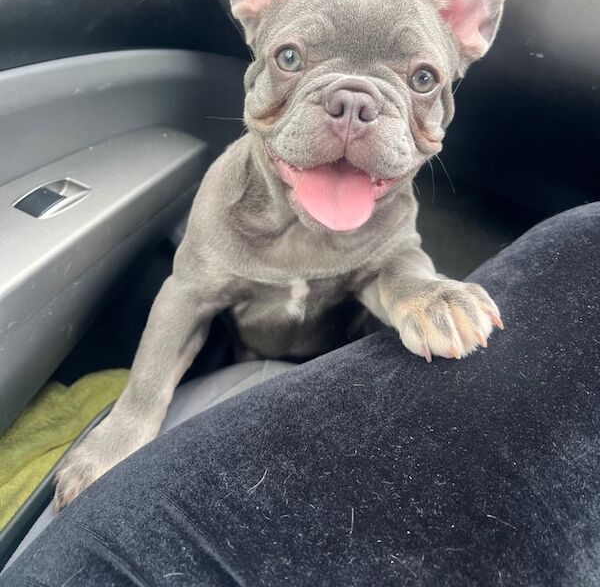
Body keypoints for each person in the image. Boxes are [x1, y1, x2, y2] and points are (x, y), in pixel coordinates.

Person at [2, 203, 599, 586]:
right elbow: (188, 294)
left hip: (336, 348)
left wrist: (413, 287)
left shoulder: (387, 212)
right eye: (292, 58)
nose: (352, 108)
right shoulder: (225, 204)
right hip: (246, 355)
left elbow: (392, 262)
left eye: (419, 79)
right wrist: (133, 417)